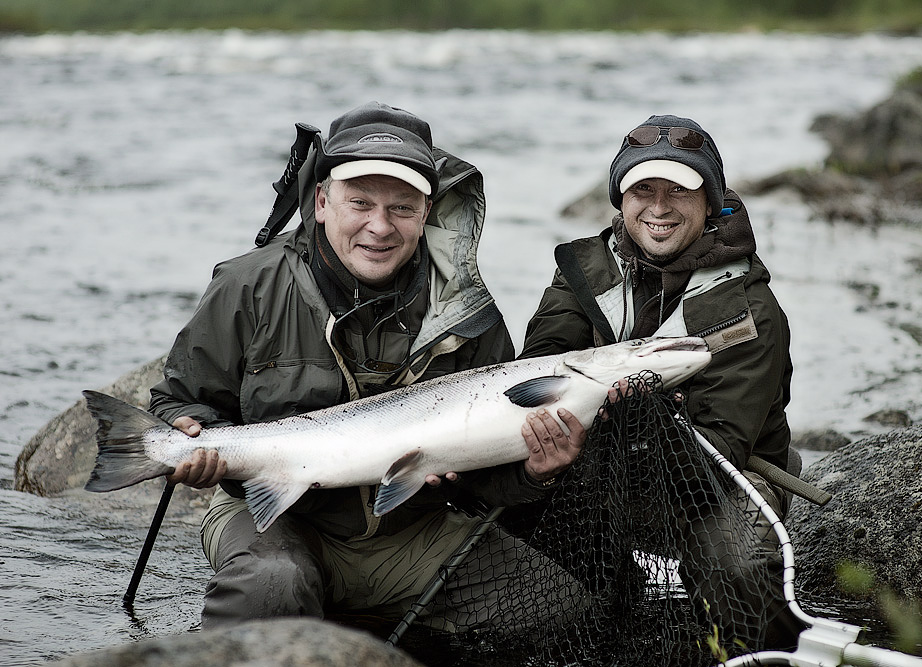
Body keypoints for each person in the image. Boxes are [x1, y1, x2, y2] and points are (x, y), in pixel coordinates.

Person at [147, 101, 584, 631]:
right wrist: (188, 433)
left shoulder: (469, 316)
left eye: (402, 208)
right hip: (279, 520)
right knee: (273, 584)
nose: (380, 227)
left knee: (555, 609)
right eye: (360, 203)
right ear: (323, 202)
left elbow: (487, 484)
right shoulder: (248, 285)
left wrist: (535, 472)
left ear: (426, 214)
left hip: (408, 533)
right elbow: (179, 398)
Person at [519, 114, 803, 650]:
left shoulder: (751, 312)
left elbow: (721, 449)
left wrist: (651, 419)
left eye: (679, 190)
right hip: (596, 466)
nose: (658, 207)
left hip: (718, 480)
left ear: (712, 201)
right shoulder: (583, 270)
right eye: (642, 189)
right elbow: (541, 363)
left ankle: (746, 647)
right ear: (619, 198)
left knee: (734, 557)